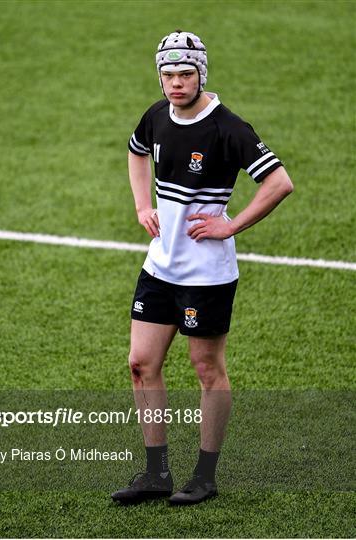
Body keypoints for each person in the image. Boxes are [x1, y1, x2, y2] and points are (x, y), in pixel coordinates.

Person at [111, 30, 293, 506]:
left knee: (206, 368)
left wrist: (230, 227)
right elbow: (135, 151)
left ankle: (205, 476)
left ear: (201, 74)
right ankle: (156, 474)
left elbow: (279, 183)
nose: (175, 83)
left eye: (185, 74)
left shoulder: (228, 128)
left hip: (206, 275)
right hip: (160, 267)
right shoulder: (156, 115)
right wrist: (139, 204)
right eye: (168, 74)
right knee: (140, 364)